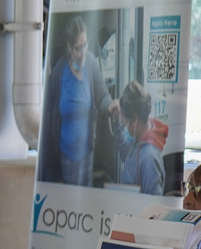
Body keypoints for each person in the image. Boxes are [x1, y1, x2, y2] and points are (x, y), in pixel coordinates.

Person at [38, 16, 118, 187]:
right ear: (69, 48)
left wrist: (111, 106)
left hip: (86, 153)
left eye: (85, 45)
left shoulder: (91, 64)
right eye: (78, 48)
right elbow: (46, 107)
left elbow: (102, 96)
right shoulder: (60, 71)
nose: (83, 52)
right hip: (65, 154)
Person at [114, 79, 165, 195]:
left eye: (125, 122)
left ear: (135, 119)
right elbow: (127, 155)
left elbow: (153, 206)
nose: (124, 126)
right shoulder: (138, 140)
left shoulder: (149, 158)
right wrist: (117, 123)